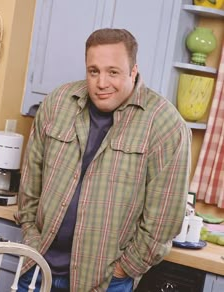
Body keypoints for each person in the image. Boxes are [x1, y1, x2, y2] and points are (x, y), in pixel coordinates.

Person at [15, 28, 191, 292]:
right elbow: (30, 183)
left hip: (106, 282)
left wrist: (124, 269)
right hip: (38, 267)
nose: (101, 82)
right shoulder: (57, 104)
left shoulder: (165, 125)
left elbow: (163, 221)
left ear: (133, 71)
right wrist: (31, 237)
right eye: (93, 71)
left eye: (113, 72)